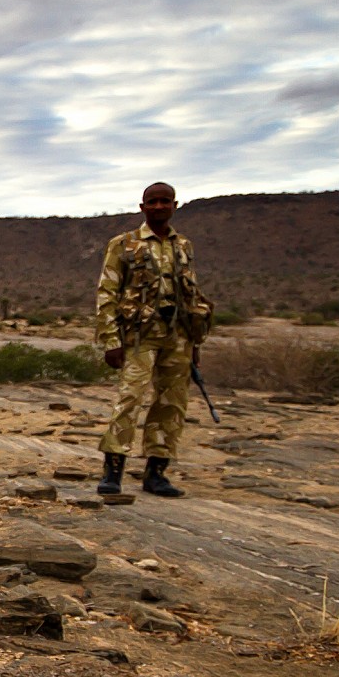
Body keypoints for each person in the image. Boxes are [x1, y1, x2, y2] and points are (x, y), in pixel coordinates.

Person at [93, 182, 213, 497]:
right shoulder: (124, 244)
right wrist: (110, 341)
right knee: (130, 398)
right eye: (153, 202)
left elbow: (192, 293)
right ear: (142, 207)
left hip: (179, 335)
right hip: (138, 335)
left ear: (175, 205)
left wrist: (195, 343)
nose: (159, 206)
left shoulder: (183, 245)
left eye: (165, 201)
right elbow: (107, 293)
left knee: (172, 403)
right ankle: (113, 470)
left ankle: (157, 473)